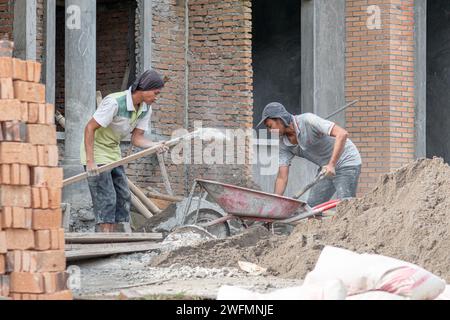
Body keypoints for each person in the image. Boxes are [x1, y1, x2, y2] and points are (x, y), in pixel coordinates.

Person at [81, 69, 168, 233]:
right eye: (155, 93)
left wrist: (155, 145)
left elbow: (137, 138)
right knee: (107, 199)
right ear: (144, 88)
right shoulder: (115, 102)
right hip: (96, 151)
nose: (156, 97)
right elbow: (89, 128)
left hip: (113, 152)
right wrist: (90, 161)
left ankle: (121, 237)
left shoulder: (145, 109)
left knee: (124, 196)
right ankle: (105, 240)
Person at [257, 102, 362, 207]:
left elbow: (342, 134)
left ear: (280, 119)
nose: (270, 131)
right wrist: (275, 204)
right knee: (312, 208)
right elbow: (282, 177)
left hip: (347, 160)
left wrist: (332, 165)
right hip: (326, 169)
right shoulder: (283, 144)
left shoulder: (308, 120)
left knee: (345, 206)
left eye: (270, 126)